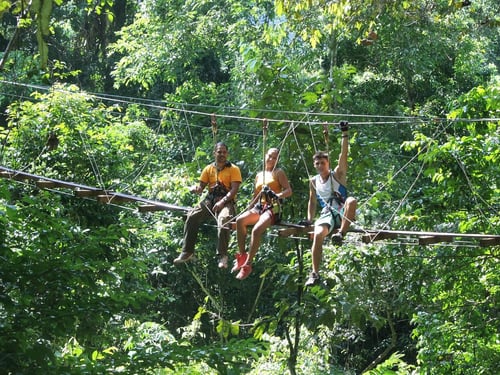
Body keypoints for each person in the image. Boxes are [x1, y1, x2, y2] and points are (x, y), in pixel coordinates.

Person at [304, 122, 357, 287]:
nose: (320, 166)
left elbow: (343, 155)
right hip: (328, 213)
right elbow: (312, 201)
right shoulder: (314, 181)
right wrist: (309, 219)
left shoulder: (338, 175)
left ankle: (340, 234)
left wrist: (345, 134)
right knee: (318, 234)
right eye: (317, 163)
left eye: (323, 163)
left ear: (328, 163)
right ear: (315, 165)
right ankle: (314, 273)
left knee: (352, 200)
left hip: (343, 211)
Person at [173, 142, 242, 268]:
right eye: (219, 152)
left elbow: (234, 190)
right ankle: (187, 251)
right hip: (210, 200)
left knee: (224, 219)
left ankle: (222, 255)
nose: (222, 154)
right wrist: (196, 189)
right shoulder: (208, 169)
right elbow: (201, 187)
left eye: (224, 152)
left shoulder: (234, 169)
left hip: (227, 201)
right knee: (192, 216)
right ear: (214, 153)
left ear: (227, 154)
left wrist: (222, 202)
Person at [233, 148, 292, 280]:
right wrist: (248, 208)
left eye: (274, 158)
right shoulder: (259, 175)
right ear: (265, 156)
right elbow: (255, 195)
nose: (271, 159)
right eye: (270, 156)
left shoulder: (278, 172)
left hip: (273, 207)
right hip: (260, 206)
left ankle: (248, 264)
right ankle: (242, 255)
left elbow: (288, 191)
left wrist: (277, 195)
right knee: (240, 221)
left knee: (256, 229)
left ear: (277, 160)